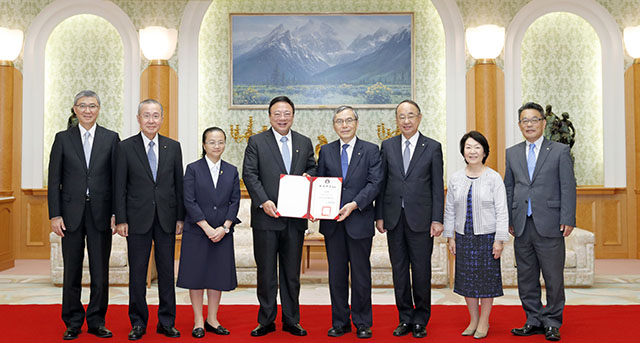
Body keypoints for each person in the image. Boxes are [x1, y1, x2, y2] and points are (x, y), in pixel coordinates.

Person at [242, 95, 317, 337]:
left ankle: (291, 320)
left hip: (294, 220)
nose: (282, 118)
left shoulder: (304, 142)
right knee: (266, 273)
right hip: (266, 218)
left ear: (293, 116)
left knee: (291, 273)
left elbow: (312, 168)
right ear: (270, 116)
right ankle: (265, 320)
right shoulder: (256, 141)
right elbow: (250, 174)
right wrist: (264, 201)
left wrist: (309, 177)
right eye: (277, 113)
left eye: (287, 113)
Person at [48, 90, 119, 340]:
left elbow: (117, 181)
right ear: (75, 109)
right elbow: (54, 179)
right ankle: (73, 322)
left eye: (92, 106)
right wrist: (55, 215)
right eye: (83, 106)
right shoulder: (62, 139)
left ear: (99, 109)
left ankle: (97, 320)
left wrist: (116, 213)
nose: (88, 110)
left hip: (101, 213)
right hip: (70, 215)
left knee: (100, 272)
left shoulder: (111, 138)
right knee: (72, 271)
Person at [505, 102, 576, 342]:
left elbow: (568, 186)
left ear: (543, 123)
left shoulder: (559, 151)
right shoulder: (512, 152)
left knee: (553, 276)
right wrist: (509, 218)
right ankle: (533, 319)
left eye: (534, 120)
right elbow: (509, 187)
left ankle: (552, 322)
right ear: (519, 125)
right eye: (525, 120)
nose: (529, 124)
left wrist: (567, 217)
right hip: (522, 223)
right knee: (526, 276)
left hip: (551, 222)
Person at [115, 99, 185, 340]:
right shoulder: (125, 148)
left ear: (162, 119)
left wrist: (180, 217)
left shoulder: (173, 147)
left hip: (166, 219)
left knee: (167, 273)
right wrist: (121, 219)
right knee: (137, 273)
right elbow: (119, 187)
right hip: (136, 219)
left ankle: (166, 322)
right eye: (147, 115)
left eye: (156, 116)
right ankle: (138, 322)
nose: (151, 120)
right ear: (138, 119)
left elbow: (179, 185)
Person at [375, 100, 444, 338]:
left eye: (410, 116)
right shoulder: (388, 146)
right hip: (394, 218)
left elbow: (437, 186)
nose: (406, 121)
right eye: (401, 117)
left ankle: (421, 319)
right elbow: (382, 185)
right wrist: (380, 215)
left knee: (422, 270)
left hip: (422, 219)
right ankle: (405, 317)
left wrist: (437, 218)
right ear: (397, 120)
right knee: (400, 270)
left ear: (419, 118)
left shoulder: (433, 147)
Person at [317, 106, 382, 339]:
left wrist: (354, 204)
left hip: (359, 220)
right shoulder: (326, 151)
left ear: (356, 122)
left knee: (361, 274)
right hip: (333, 224)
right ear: (334, 125)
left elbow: (375, 184)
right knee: (336, 274)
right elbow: (320, 182)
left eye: (348, 120)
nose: (344, 125)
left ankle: (363, 322)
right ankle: (340, 321)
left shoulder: (372, 150)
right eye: (339, 121)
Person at [443, 130, 509, 339]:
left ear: (484, 151)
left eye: (477, 147)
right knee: (467, 281)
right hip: (464, 236)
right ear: (463, 151)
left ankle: (484, 321)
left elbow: (502, 210)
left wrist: (499, 240)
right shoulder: (455, 178)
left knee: (487, 281)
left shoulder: (494, 178)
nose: (472, 151)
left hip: (487, 237)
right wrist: (450, 236)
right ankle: (473, 320)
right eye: (468, 147)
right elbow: (450, 209)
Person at [177, 127, 241, 338]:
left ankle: (212, 319)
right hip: (197, 231)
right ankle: (198, 320)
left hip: (222, 233)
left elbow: (234, 201)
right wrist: (206, 227)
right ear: (204, 145)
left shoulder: (231, 170)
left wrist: (224, 227)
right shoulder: (193, 169)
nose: (217, 146)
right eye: (212, 142)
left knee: (217, 276)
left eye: (220, 142)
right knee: (196, 277)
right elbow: (189, 200)